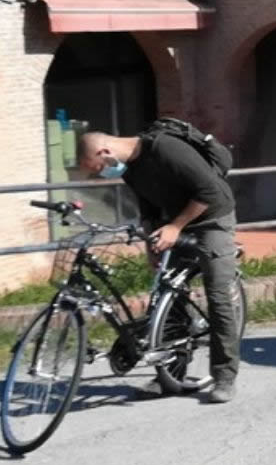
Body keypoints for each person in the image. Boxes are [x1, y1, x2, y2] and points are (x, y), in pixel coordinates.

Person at [78, 128, 242, 403]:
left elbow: (209, 191)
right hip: (172, 222)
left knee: (218, 295)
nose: (98, 175)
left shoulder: (165, 149)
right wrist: (150, 244)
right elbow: (148, 207)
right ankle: (171, 376)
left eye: (95, 169)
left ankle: (225, 376)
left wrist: (176, 227)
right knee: (167, 294)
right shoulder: (130, 167)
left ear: (104, 153)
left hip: (212, 218)